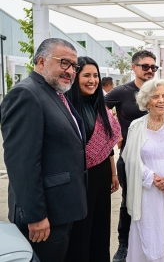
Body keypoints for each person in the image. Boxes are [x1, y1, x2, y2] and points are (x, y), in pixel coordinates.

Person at [0, 38, 87, 262]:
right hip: (43, 217)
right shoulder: (26, 94)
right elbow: (22, 164)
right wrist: (36, 215)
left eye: (74, 66)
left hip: (60, 210)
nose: (71, 71)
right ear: (41, 61)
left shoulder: (54, 93)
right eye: (64, 63)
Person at [105, 50, 164, 262]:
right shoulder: (120, 91)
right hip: (132, 159)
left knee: (157, 202)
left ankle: (159, 242)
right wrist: (116, 132)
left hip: (160, 160)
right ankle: (124, 245)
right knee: (129, 202)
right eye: (145, 66)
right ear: (133, 67)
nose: (150, 70)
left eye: (153, 67)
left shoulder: (159, 90)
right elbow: (101, 112)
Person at [122, 79, 164, 261]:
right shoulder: (136, 126)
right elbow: (130, 158)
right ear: (146, 101)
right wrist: (153, 178)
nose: (161, 100)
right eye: (155, 97)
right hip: (148, 191)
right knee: (150, 229)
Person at [64, 57, 121, 262]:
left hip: (102, 175)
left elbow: (108, 146)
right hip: (80, 178)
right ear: (75, 76)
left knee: (100, 230)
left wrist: (113, 173)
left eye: (95, 75)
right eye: (86, 75)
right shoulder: (67, 107)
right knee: (81, 232)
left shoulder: (101, 107)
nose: (92, 80)